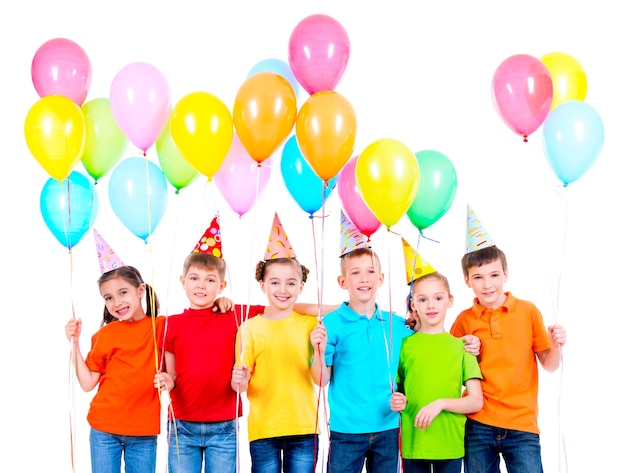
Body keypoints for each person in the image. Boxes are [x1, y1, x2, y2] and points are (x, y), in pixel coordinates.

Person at [309, 221, 481, 473]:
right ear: (343, 281)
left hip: (388, 429)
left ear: (380, 278)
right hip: (346, 430)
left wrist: (468, 340)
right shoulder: (331, 324)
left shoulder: (397, 325)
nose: (364, 278)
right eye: (355, 272)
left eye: (370, 272)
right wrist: (318, 351)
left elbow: (431, 335)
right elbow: (322, 381)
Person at [155, 216, 322, 473]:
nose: (201, 285)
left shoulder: (235, 314)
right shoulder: (169, 324)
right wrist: (167, 379)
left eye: (210, 280)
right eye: (194, 278)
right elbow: (172, 372)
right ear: (182, 281)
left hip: (224, 424)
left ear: (221, 285)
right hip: (182, 424)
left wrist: (340, 308)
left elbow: (282, 305)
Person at [449, 207, 567, 473]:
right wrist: (466, 351)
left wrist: (556, 345)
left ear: (505, 274)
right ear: (467, 281)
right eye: (478, 277)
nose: (487, 284)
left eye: (493, 275)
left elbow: (549, 364)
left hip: (522, 424)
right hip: (478, 423)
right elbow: (451, 373)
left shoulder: (527, 311)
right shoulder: (463, 320)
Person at [65, 231, 164, 473]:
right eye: (108, 297)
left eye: (123, 293)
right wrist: (74, 343)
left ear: (141, 291)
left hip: (143, 432)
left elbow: (195, 322)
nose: (116, 303)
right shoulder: (105, 334)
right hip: (104, 429)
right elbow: (88, 383)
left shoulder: (161, 326)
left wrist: (220, 303)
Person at [231, 213, 320, 473]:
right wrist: (241, 377)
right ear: (262, 285)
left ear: (301, 287)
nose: (283, 289)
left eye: (291, 283)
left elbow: (320, 377)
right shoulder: (249, 328)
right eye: (275, 282)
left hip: (305, 428)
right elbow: (240, 387)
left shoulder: (310, 325)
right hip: (263, 429)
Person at [391, 271, 483, 473]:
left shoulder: (462, 347)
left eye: (438, 298)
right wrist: (398, 400)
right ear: (413, 304)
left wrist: (441, 404)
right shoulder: (404, 346)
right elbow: (397, 390)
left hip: (450, 443)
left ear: (450, 301)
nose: (431, 305)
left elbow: (476, 401)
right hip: (414, 444)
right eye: (423, 299)